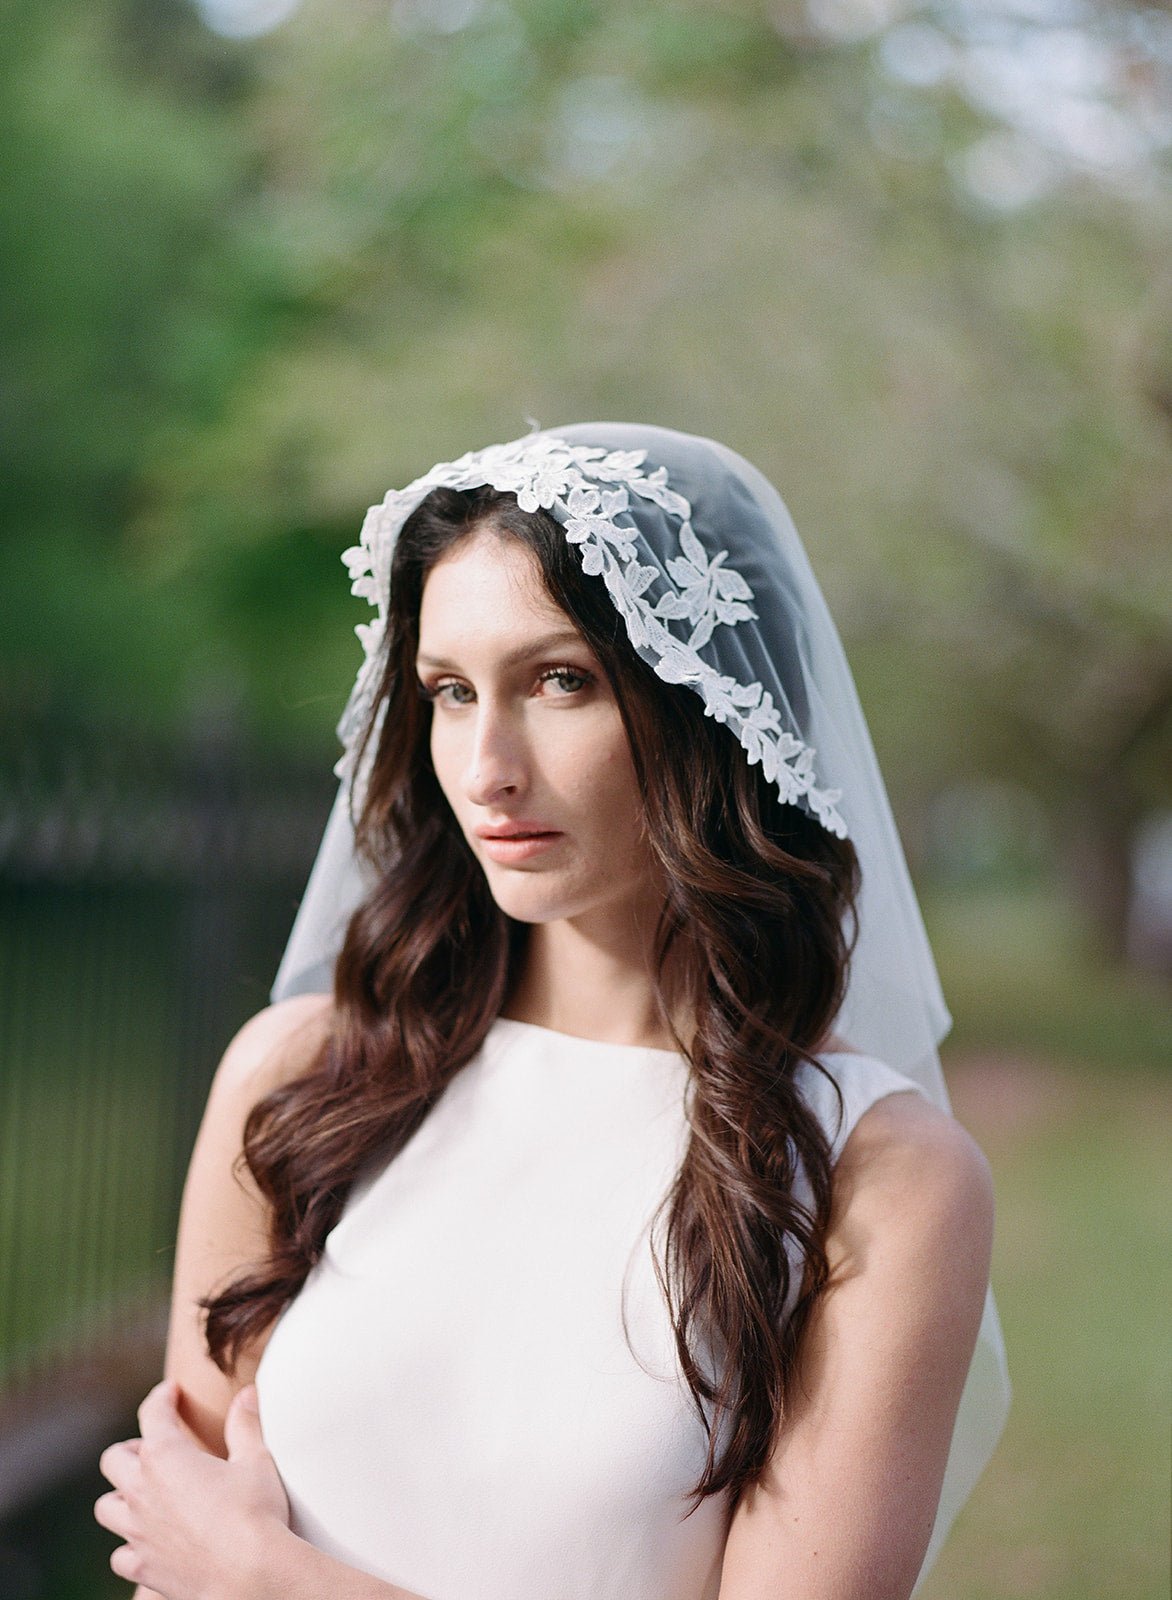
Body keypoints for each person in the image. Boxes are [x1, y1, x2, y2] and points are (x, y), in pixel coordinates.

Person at [95, 423, 1009, 1600]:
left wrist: (279, 1584)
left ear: (708, 707)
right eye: (449, 691)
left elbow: (225, 1568)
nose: (486, 766)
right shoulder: (298, 1081)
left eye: (560, 680)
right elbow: (176, 1546)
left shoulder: (878, 1176)